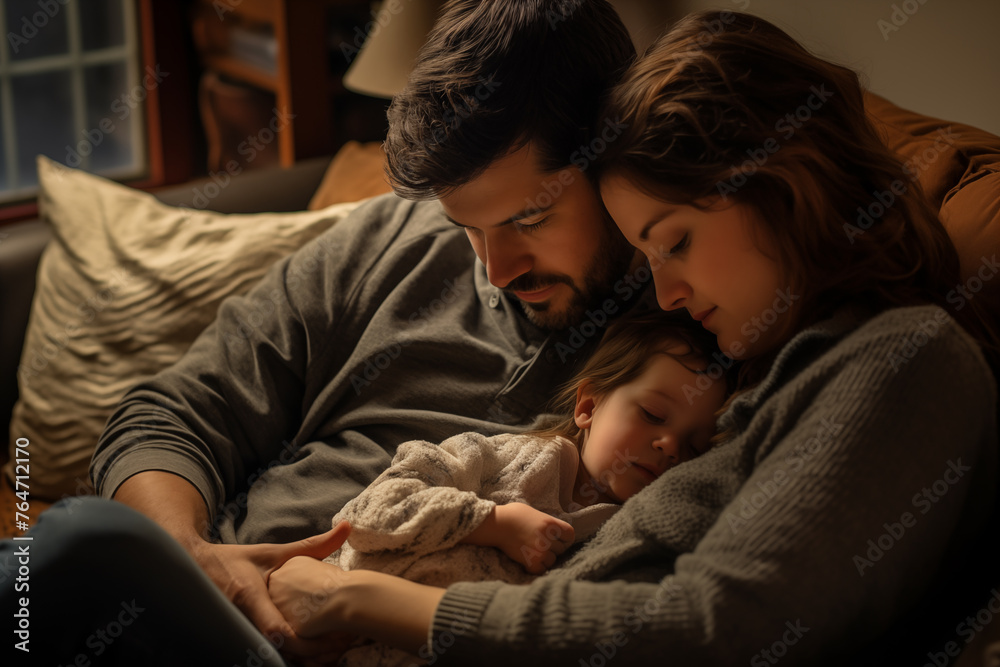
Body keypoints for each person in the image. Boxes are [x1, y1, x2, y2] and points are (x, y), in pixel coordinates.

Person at [265, 10, 999, 666]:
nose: (668, 293)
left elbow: (712, 629)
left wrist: (354, 601)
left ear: (782, 186)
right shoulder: (763, 376)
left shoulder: (910, 357)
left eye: (673, 242)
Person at [0, 2, 649, 666]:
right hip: (181, 599)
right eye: (468, 227)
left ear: (615, 152)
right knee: (70, 553)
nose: (496, 268)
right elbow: (170, 415)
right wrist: (190, 554)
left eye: (530, 219)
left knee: (70, 551)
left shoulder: (677, 355)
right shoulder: (388, 237)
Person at [318, 310, 728, 665]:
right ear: (588, 407)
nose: (670, 446)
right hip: (313, 611)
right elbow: (365, 515)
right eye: (653, 414)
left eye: (694, 445)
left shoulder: (624, 540)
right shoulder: (496, 458)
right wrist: (491, 522)